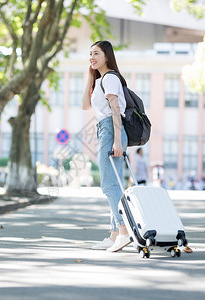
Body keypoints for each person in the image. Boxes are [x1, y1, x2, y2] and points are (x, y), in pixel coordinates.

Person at [82, 40, 130, 252]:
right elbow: (85, 105)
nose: (92, 57)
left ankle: (123, 232)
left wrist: (117, 140)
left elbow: (115, 110)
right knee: (115, 186)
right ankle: (113, 235)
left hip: (111, 130)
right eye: (90, 54)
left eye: (96, 53)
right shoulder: (102, 79)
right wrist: (91, 75)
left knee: (108, 184)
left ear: (107, 57)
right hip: (106, 129)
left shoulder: (110, 78)